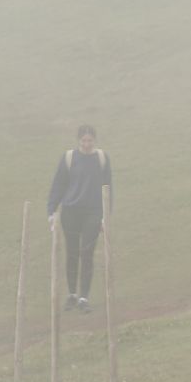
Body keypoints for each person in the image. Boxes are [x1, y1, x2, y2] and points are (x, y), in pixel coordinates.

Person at [45, 124, 113, 312]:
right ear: (78, 141)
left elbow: (108, 188)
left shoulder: (101, 159)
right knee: (72, 252)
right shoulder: (69, 158)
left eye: (90, 140)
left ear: (94, 140)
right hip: (71, 211)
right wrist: (51, 211)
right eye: (83, 140)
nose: (86, 144)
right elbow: (58, 185)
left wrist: (105, 217)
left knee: (87, 253)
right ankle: (72, 294)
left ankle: (84, 297)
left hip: (93, 212)